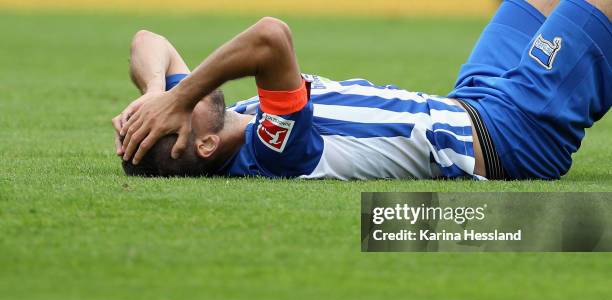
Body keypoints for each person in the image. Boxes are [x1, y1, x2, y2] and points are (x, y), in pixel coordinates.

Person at [113, 0, 611, 180]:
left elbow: (146, 40)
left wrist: (156, 92)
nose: (187, 91)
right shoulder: (272, 151)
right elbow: (270, 38)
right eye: (181, 111)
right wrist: (176, 100)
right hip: (511, 137)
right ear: (203, 144)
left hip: (475, 101)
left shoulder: (216, 118)